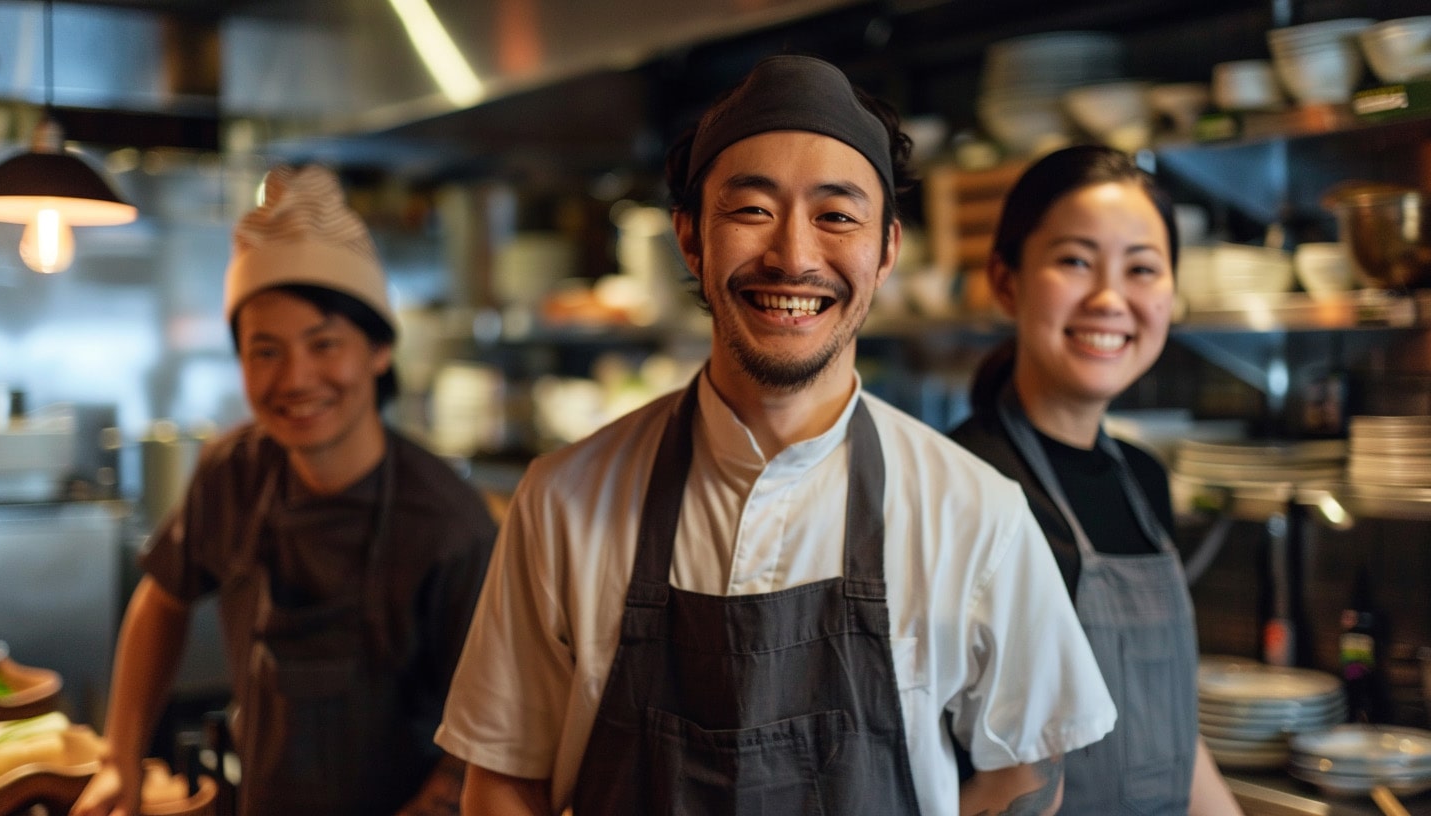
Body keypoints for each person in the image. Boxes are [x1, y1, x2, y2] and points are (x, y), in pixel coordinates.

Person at [436, 54, 1116, 816]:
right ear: (690, 239)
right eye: (752, 210)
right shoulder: (563, 500)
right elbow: (503, 784)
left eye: (836, 216)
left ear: (887, 249)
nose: (793, 256)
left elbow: (1024, 776)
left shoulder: (976, 513)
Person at [72, 166, 497, 816]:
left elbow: (484, 736)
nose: (296, 379)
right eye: (265, 351)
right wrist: (120, 758)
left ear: (379, 350)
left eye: (323, 344)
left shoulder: (449, 523)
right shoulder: (234, 471)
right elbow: (163, 598)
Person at [948, 144, 1243, 816]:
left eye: (1142, 268)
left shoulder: (1142, 480)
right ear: (1006, 280)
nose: (1110, 299)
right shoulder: (961, 488)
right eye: (1075, 261)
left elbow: (1170, 730)